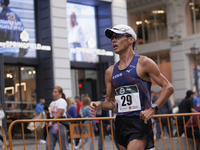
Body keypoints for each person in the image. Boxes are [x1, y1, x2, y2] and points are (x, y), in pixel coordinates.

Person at [89, 24, 174, 150]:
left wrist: (152, 109)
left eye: (117, 36)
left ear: (131, 40)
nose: (113, 40)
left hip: (139, 120)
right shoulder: (110, 71)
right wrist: (99, 104)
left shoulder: (143, 62)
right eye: (112, 37)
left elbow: (168, 87)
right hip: (120, 122)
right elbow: (111, 102)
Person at [46, 86, 69, 150]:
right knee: (49, 146)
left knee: (64, 146)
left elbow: (60, 113)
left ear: (60, 93)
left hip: (60, 125)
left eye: (55, 92)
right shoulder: (52, 103)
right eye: (53, 92)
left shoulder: (62, 101)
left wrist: (52, 121)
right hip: (52, 126)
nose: (53, 93)